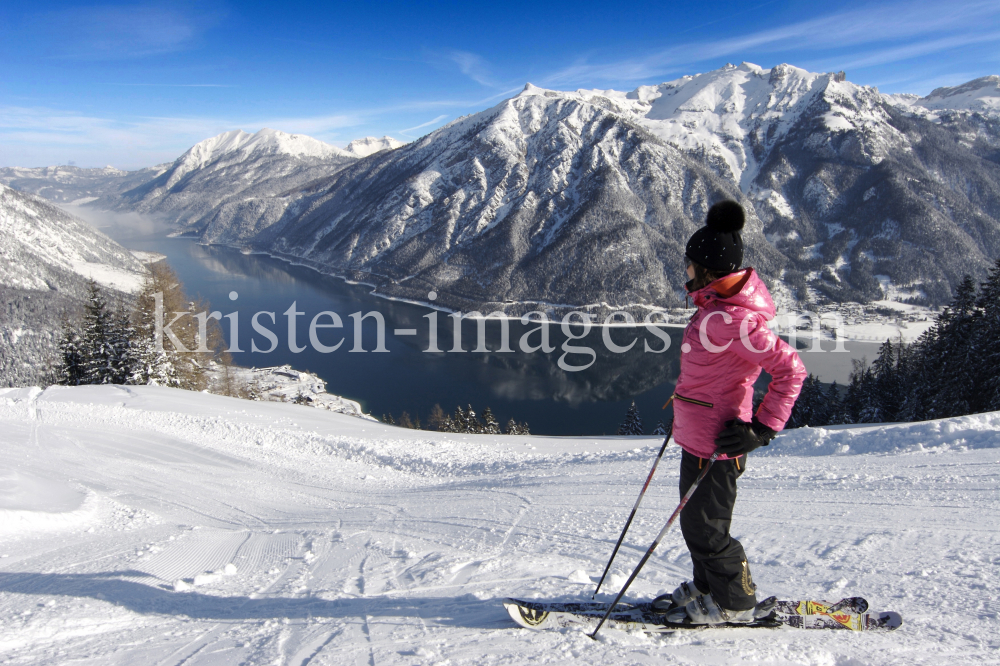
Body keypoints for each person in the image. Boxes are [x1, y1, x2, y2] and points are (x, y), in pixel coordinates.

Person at [653, 200, 806, 624]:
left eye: (689, 263)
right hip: (700, 435)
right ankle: (707, 587)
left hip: (719, 441)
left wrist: (761, 429)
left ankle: (734, 604)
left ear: (707, 269)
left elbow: (791, 370)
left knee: (707, 530)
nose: (684, 269)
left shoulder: (730, 320)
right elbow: (715, 375)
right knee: (695, 525)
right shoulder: (714, 310)